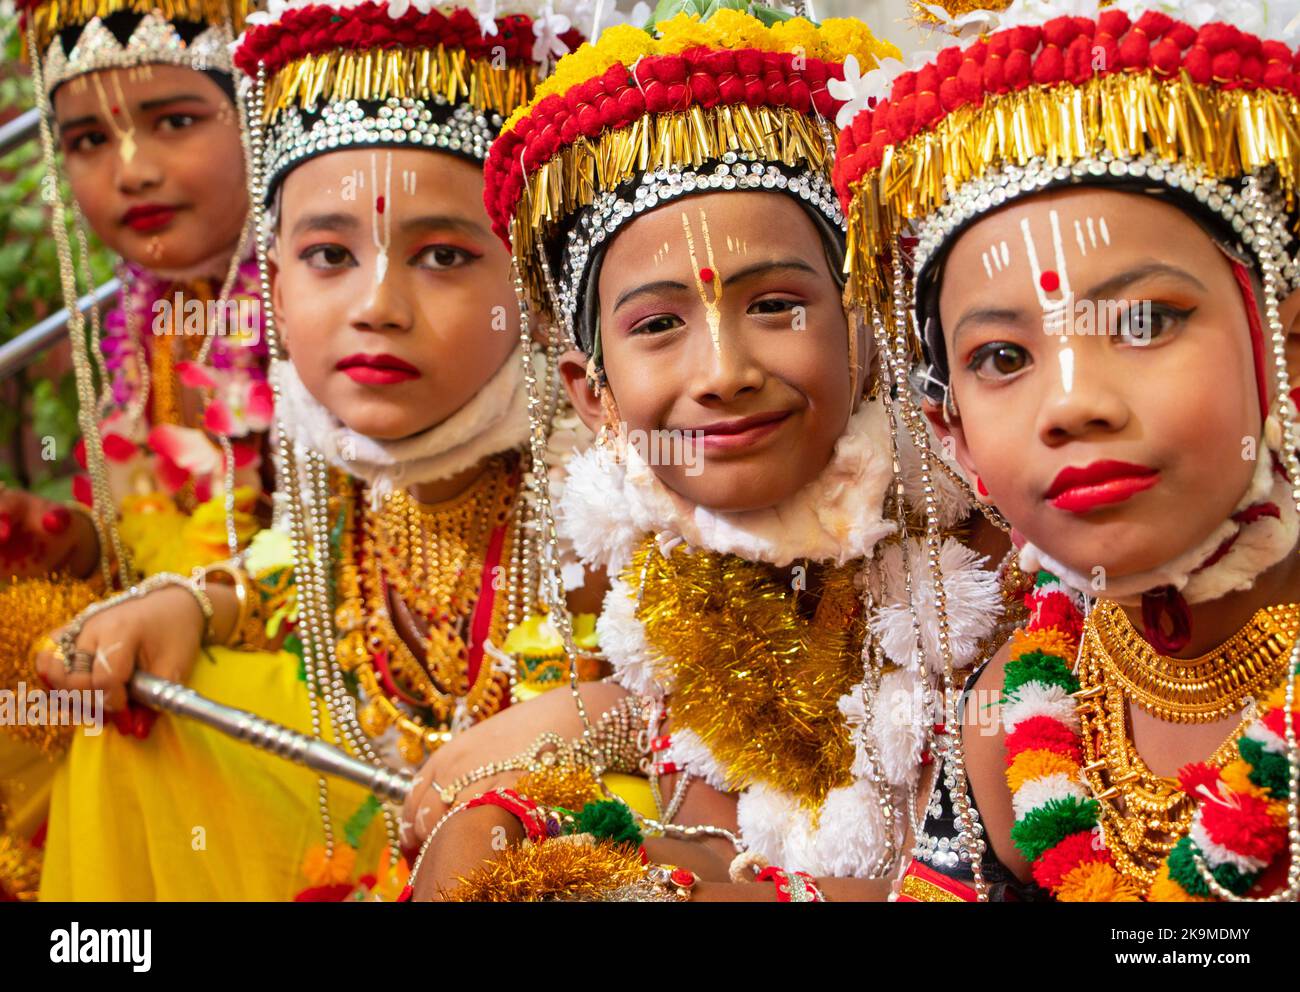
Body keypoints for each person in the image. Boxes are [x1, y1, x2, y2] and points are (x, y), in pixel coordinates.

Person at [399, 3, 1013, 901]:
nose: (723, 373)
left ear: (866, 330)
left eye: (775, 307)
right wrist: (575, 735)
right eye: (656, 325)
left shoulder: (992, 575)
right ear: (592, 394)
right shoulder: (642, 584)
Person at [27, 0, 601, 901]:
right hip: (371, 796)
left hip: (571, 829)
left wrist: (586, 719)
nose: (377, 305)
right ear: (277, 280)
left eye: (444, 257)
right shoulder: (340, 462)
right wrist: (192, 601)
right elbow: (295, 563)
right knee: (126, 729)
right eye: (329, 254)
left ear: (531, 280)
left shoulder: (608, 470)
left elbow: (718, 692)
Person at [834, 0, 1300, 900]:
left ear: (1288, 348)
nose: (1074, 404)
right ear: (954, 435)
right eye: (1003, 358)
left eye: (1143, 321)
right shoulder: (1008, 712)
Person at [1, 0, 265, 902]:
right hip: (173, 642)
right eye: (84, 140)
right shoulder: (143, 320)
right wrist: (65, 541)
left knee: (112, 730)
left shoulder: (336, 310)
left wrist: (196, 604)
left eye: (176, 121)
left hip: (306, 678)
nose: (133, 170)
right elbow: (153, 535)